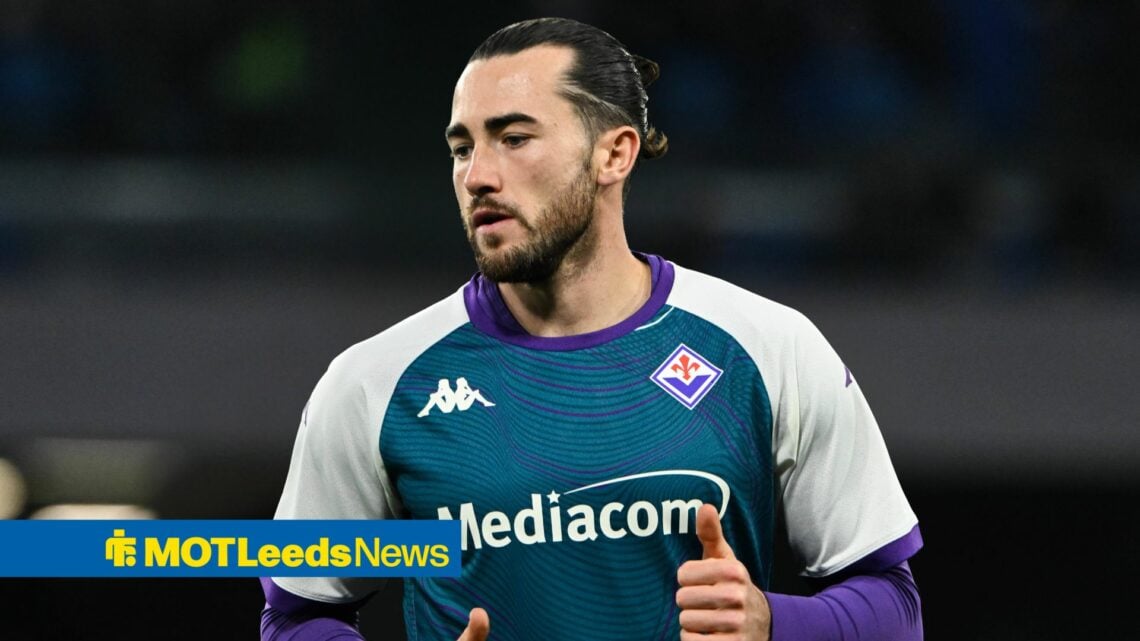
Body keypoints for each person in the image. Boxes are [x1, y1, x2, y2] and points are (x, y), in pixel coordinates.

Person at [260, 17, 923, 641]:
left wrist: (769, 621)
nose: (478, 176)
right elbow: (295, 615)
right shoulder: (372, 383)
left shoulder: (768, 346)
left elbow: (895, 607)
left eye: (514, 138)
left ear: (615, 153)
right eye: (462, 147)